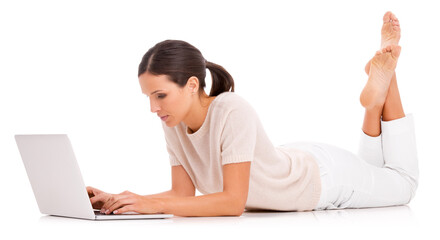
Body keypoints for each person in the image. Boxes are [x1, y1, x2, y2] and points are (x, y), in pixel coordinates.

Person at [87, 11, 418, 217]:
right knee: (376, 169)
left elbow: (233, 202)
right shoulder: (173, 122)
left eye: (160, 95)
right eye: (148, 97)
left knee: (403, 183)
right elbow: (181, 195)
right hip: (296, 163)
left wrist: (154, 205)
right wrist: (121, 200)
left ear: (191, 85)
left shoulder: (231, 108)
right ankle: (379, 90)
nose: (153, 107)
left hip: (325, 181)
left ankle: (388, 81)